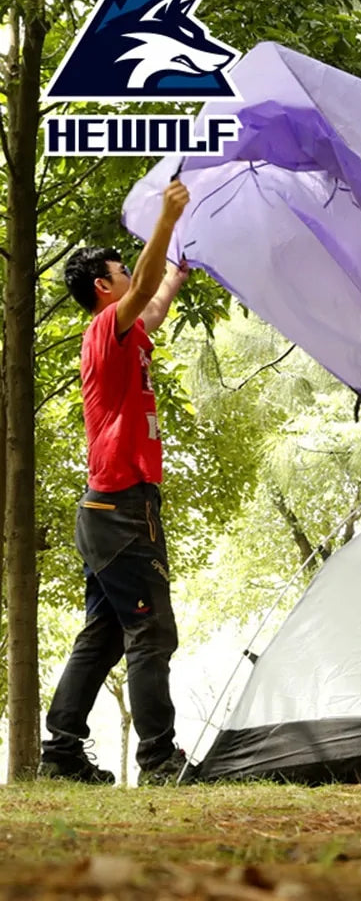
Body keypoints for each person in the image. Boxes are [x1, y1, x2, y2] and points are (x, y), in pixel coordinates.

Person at [39, 179, 191, 786]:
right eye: (123, 271)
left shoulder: (127, 337)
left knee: (104, 634)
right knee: (152, 628)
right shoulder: (105, 330)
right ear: (105, 286)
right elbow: (141, 294)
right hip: (123, 509)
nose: (134, 277)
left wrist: (177, 271)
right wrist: (166, 221)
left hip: (107, 509)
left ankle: (61, 754)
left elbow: (152, 302)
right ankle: (159, 760)